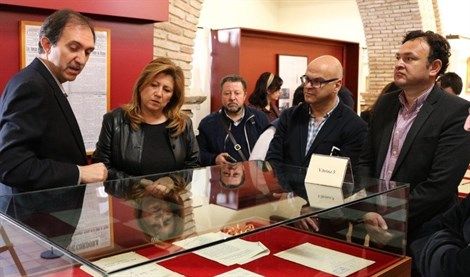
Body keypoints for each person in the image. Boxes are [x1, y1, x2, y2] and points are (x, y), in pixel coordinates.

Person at [357, 30, 470, 246]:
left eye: (409, 59)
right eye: (398, 58)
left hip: (424, 230)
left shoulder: (456, 111)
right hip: (375, 221)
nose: (399, 64)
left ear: (434, 67)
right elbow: (366, 162)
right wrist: (369, 209)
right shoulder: (385, 104)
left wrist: (391, 215)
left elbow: (440, 185)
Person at [0, 9, 107, 194]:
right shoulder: (33, 86)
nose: (81, 60)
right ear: (47, 44)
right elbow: (11, 166)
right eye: (73, 48)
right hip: (35, 217)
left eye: (88, 52)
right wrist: (79, 173)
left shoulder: (40, 80)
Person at [93, 57, 199, 180]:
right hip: (126, 198)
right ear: (141, 85)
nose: (159, 94)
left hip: (171, 198)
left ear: (172, 97)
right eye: (154, 85)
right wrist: (139, 185)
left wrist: (172, 182)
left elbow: (194, 165)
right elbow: (101, 167)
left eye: (167, 90)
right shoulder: (114, 120)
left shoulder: (183, 123)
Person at [266, 55, 367, 172]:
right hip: (287, 189)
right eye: (307, 79)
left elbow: (350, 175)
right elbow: (274, 159)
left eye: (317, 82)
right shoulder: (289, 116)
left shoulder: (354, 126)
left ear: (337, 85)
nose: (308, 86)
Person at [197, 74, 269, 166]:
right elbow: (199, 154)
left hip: (253, 177)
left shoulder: (260, 118)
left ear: (244, 95)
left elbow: (271, 149)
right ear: (221, 95)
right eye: (227, 93)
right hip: (221, 177)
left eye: (237, 93)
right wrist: (214, 159)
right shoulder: (207, 123)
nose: (232, 98)